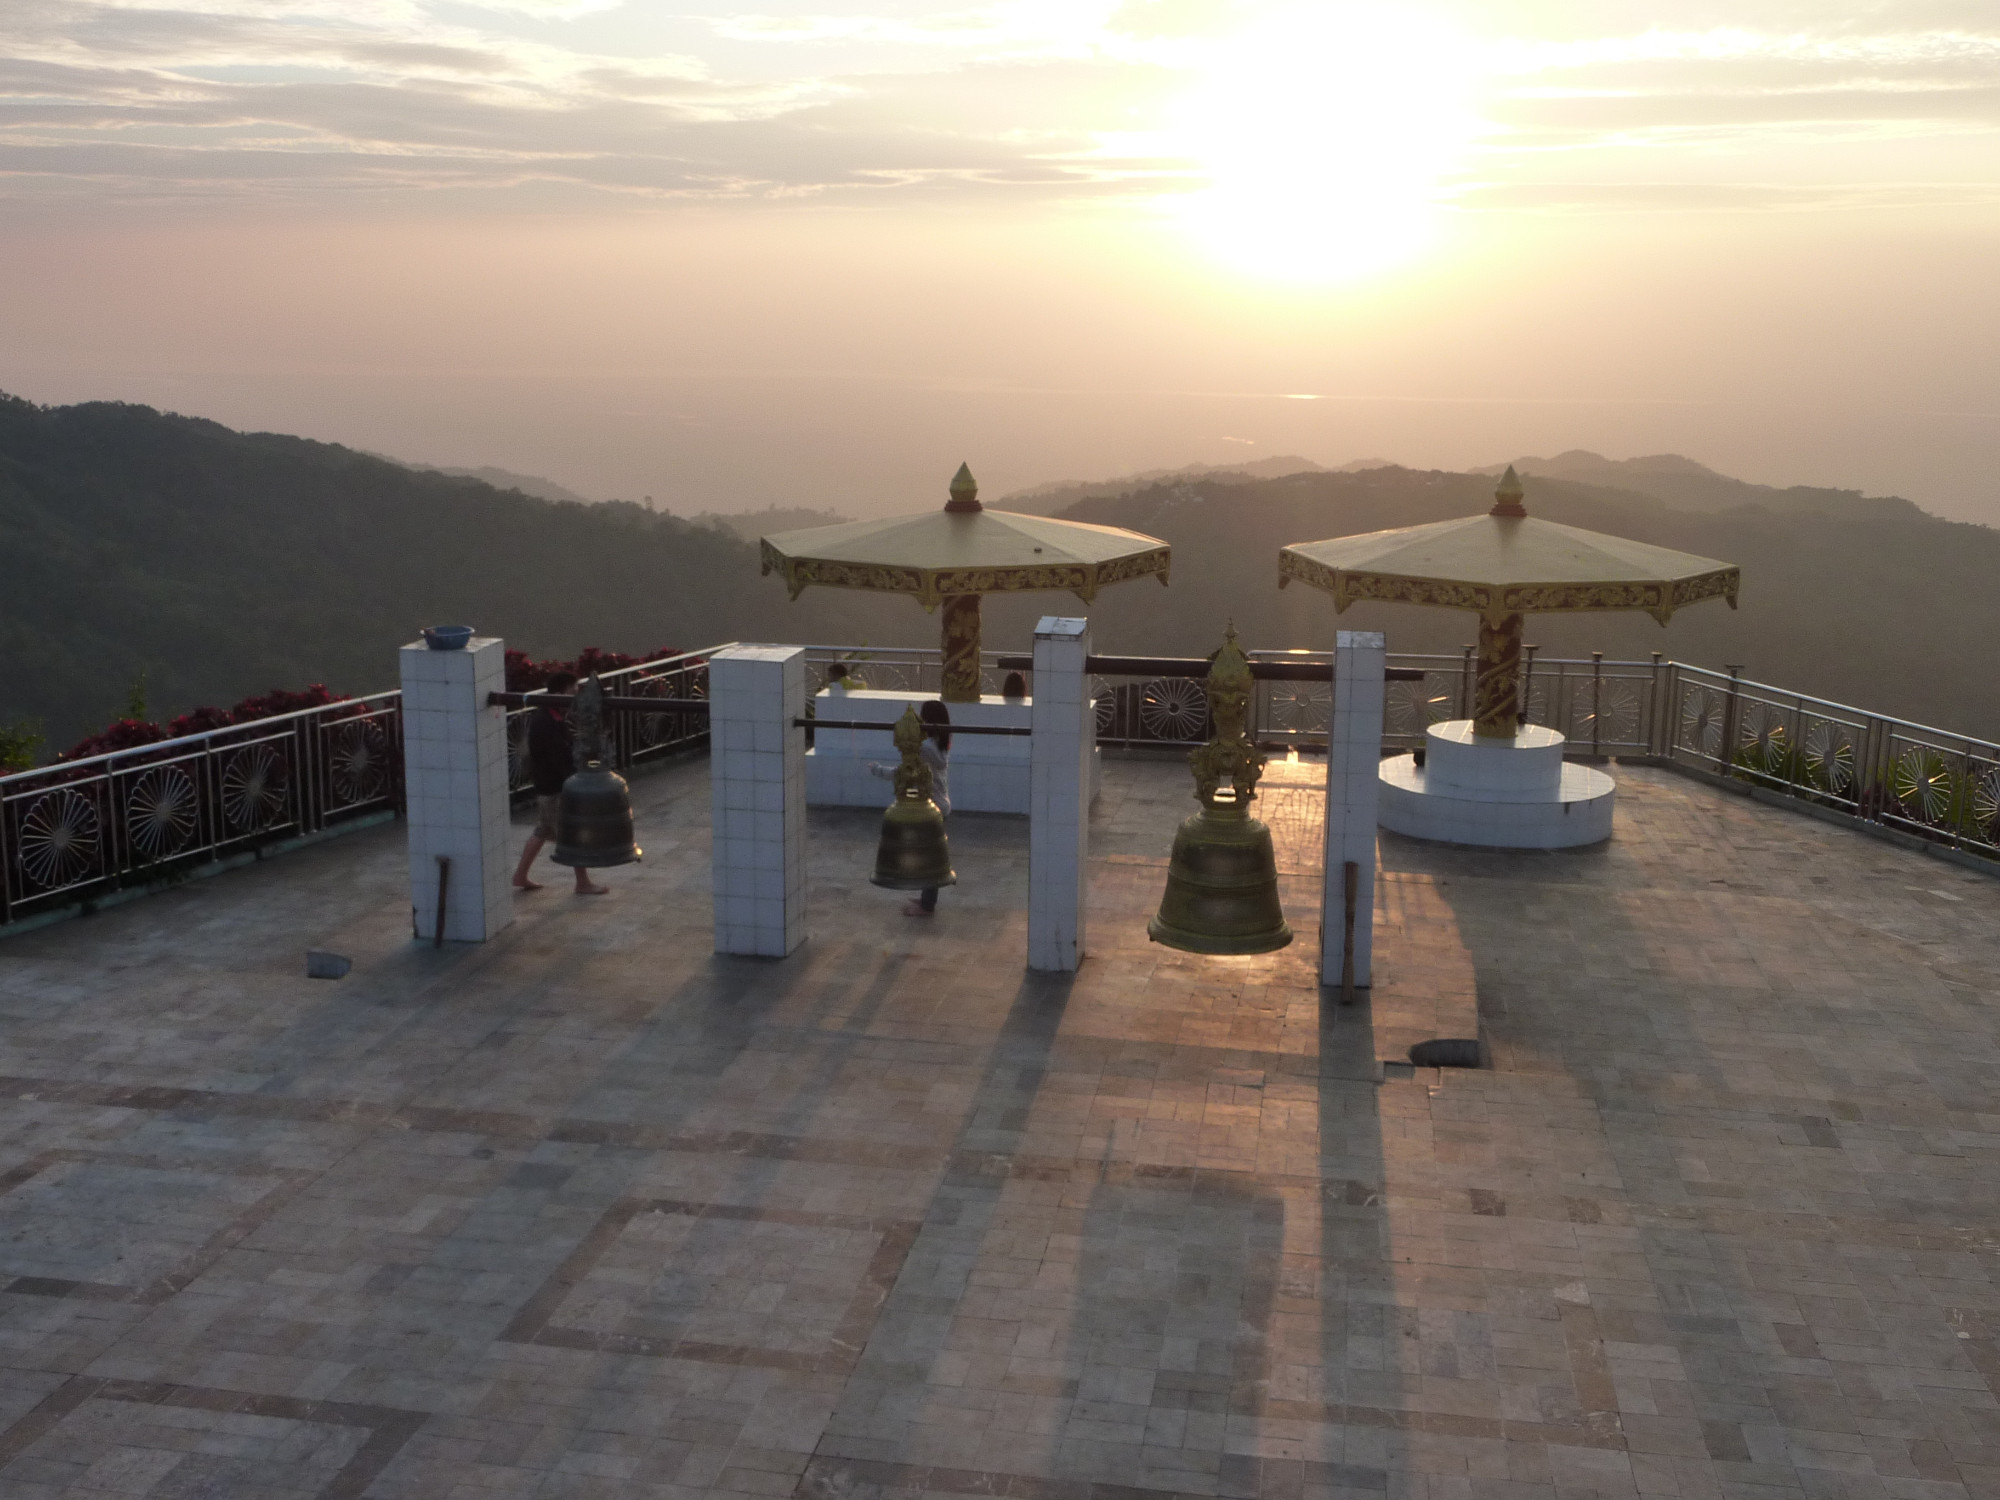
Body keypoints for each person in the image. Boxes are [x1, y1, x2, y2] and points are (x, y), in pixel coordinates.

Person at [512, 672, 608, 896]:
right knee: (572, 833)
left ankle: (520, 875)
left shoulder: (550, 716)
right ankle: (582, 883)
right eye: (573, 691)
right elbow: (557, 758)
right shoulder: (546, 722)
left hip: (549, 785)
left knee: (544, 831)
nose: (574, 696)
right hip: (555, 787)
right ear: (561, 691)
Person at [871, 699, 951, 918]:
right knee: (930, 855)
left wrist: (878, 770)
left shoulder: (924, 749)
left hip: (931, 807)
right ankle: (927, 899)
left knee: (929, 858)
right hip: (941, 805)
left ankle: (927, 906)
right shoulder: (940, 744)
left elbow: (902, 771)